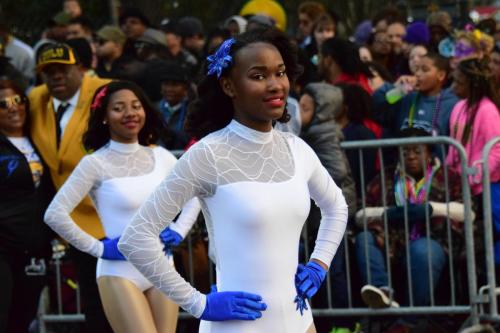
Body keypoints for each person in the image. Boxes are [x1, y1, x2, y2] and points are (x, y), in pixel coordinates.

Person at [119, 28, 348, 333]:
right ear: (229, 86)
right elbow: (135, 239)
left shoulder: (297, 149)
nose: (275, 85)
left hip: (300, 321)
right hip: (236, 326)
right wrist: (199, 303)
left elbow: (336, 207)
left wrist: (319, 263)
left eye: (280, 73)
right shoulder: (207, 155)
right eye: (258, 75)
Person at [44, 81, 201, 333]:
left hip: (162, 266)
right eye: (118, 108)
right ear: (104, 117)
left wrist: (179, 230)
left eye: (136, 106)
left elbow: (195, 193)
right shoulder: (94, 163)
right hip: (119, 272)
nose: (130, 114)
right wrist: (98, 248)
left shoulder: (161, 156)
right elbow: (54, 213)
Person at [28, 43, 112, 332]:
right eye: (48, 72)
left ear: (80, 68)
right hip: (76, 224)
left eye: (62, 70)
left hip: (118, 216)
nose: (56, 77)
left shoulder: (107, 91)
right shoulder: (36, 100)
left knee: (128, 297)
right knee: (92, 301)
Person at [355, 127, 468, 330]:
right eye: (404, 152)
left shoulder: (448, 177)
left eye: (417, 151)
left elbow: (469, 211)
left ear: (429, 153)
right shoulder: (385, 177)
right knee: (364, 238)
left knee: (422, 251)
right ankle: (382, 291)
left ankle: (408, 321)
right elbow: (360, 214)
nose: (410, 156)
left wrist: (433, 209)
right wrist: (386, 213)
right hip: (391, 243)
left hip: (434, 243)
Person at [0, 80, 54, 333]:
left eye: (18, 101)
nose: (13, 108)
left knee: (24, 315)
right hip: (3, 245)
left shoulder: (41, 139)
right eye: (3, 104)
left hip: (35, 245)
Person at [446, 59, 500, 272]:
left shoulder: (487, 110)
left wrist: (475, 175)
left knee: (493, 232)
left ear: (472, 84)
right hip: (463, 186)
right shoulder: (459, 107)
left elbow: (496, 149)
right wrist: (450, 170)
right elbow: (455, 145)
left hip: (487, 186)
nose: (453, 87)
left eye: (459, 82)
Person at [373, 52, 459, 138]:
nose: (417, 74)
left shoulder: (452, 103)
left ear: (441, 75)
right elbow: (376, 106)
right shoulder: (404, 95)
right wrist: (396, 87)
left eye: (425, 70)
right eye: (417, 69)